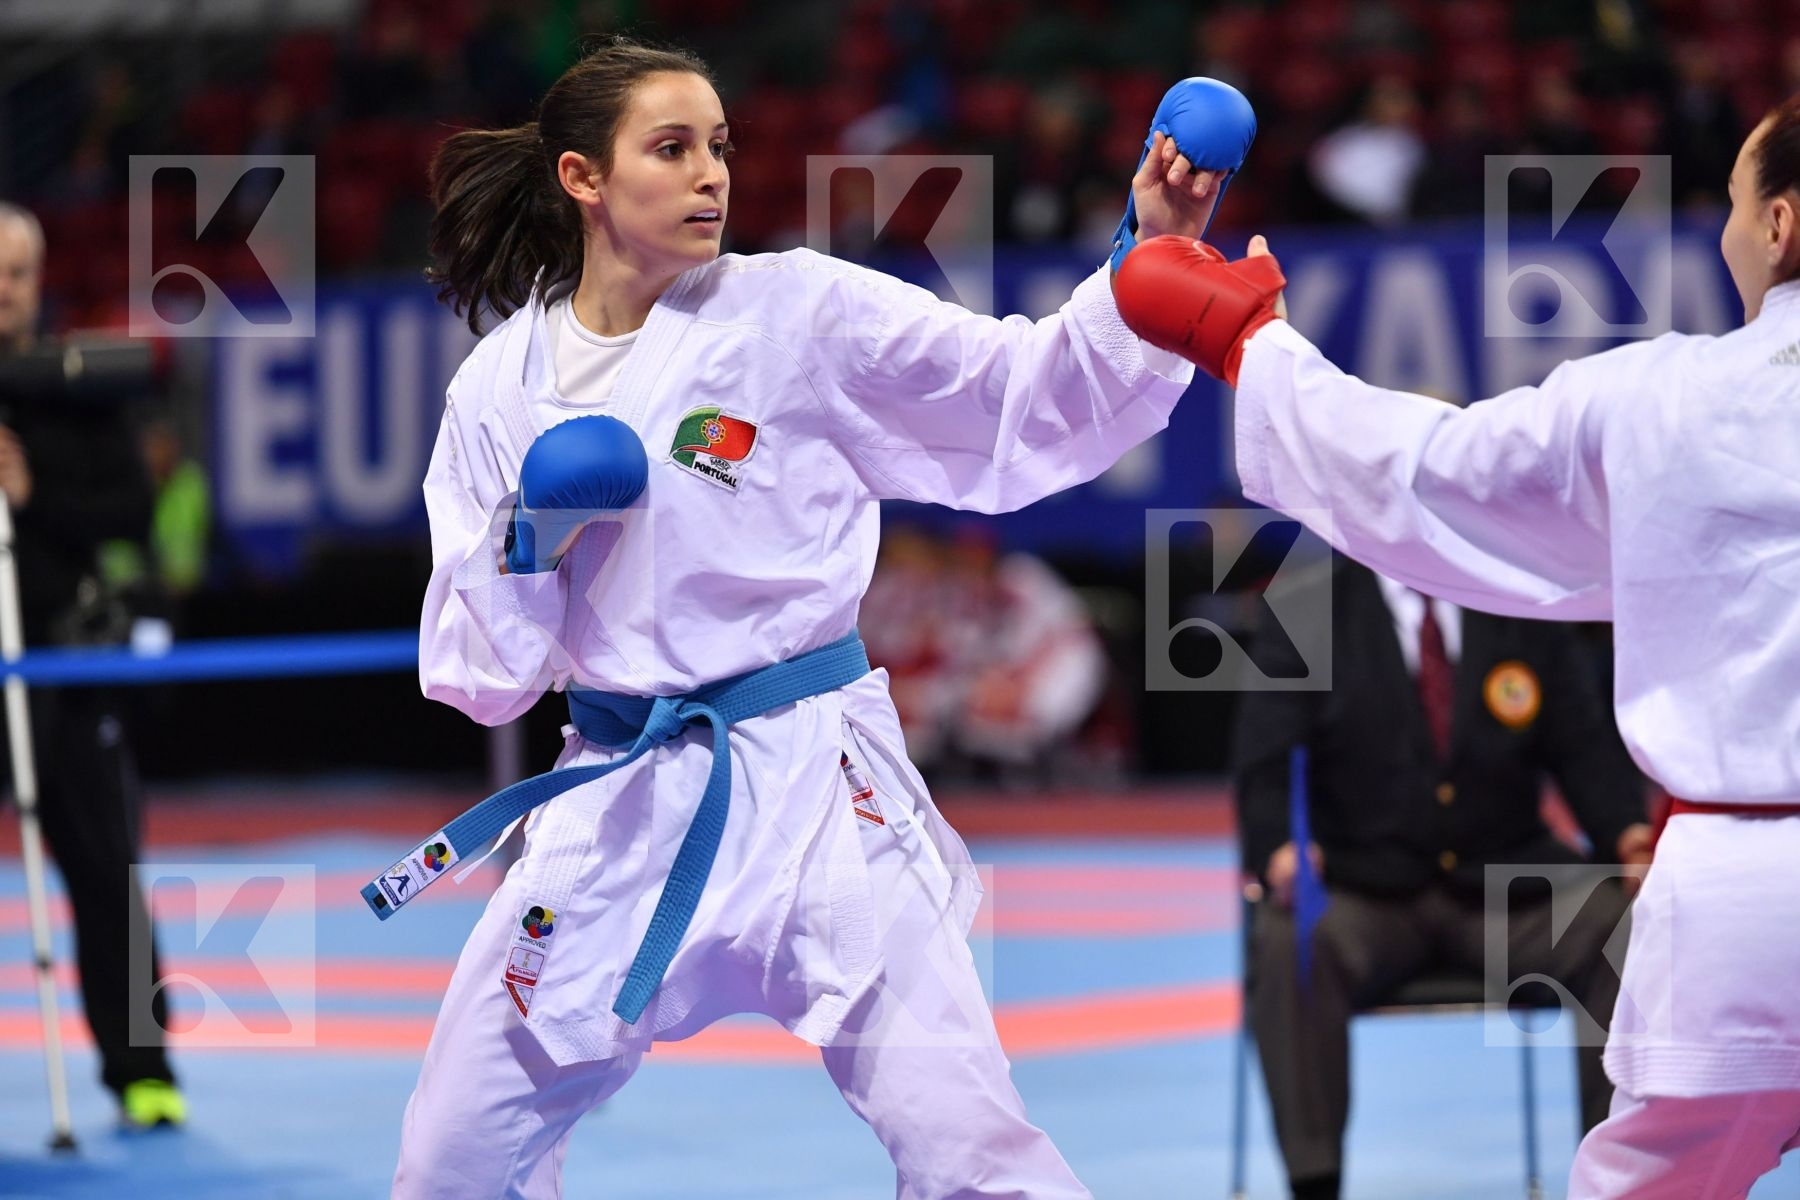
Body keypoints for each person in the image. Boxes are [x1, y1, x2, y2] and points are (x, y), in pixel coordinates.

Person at [391, 40, 1247, 1198]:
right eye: (673, 148)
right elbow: (481, 679)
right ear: (583, 179)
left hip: (816, 782)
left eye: (721, 148)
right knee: (452, 1162)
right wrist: (527, 540)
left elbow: (1013, 402)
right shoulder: (496, 388)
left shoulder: (794, 312)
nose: (712, 176)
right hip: (617, 796)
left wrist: (1153, 252)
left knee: (970, 1147)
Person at [1112, 93, 1800, 1199]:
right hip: (1393, 893)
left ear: (1780, 225)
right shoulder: (1318, 606)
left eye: (1729, 203)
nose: (1721, 233)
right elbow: (1266, 748)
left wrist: (1251, 346)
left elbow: (1431, 472)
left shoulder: (1663, 401)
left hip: (1735, 896)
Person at [1233, 556, 1649, 1200]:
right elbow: (1262, 759)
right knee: (1293, 942)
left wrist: (1626, 833)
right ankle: (1314, 1183)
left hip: (1511, 894)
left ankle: (1621, 1178)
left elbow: (1583, 745)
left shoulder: (1520, 590)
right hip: (1364, 892)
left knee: (1615, 927)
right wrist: (1279, 850)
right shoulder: (1307, 603)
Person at [0, 201, 183, 1127]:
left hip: (63, 663)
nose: (3, 290)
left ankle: (143, 1072)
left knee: (106, 866)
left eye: (16, 272)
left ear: (39, 280)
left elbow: (127, 515)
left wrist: (31, 497)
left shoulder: (79, 385)